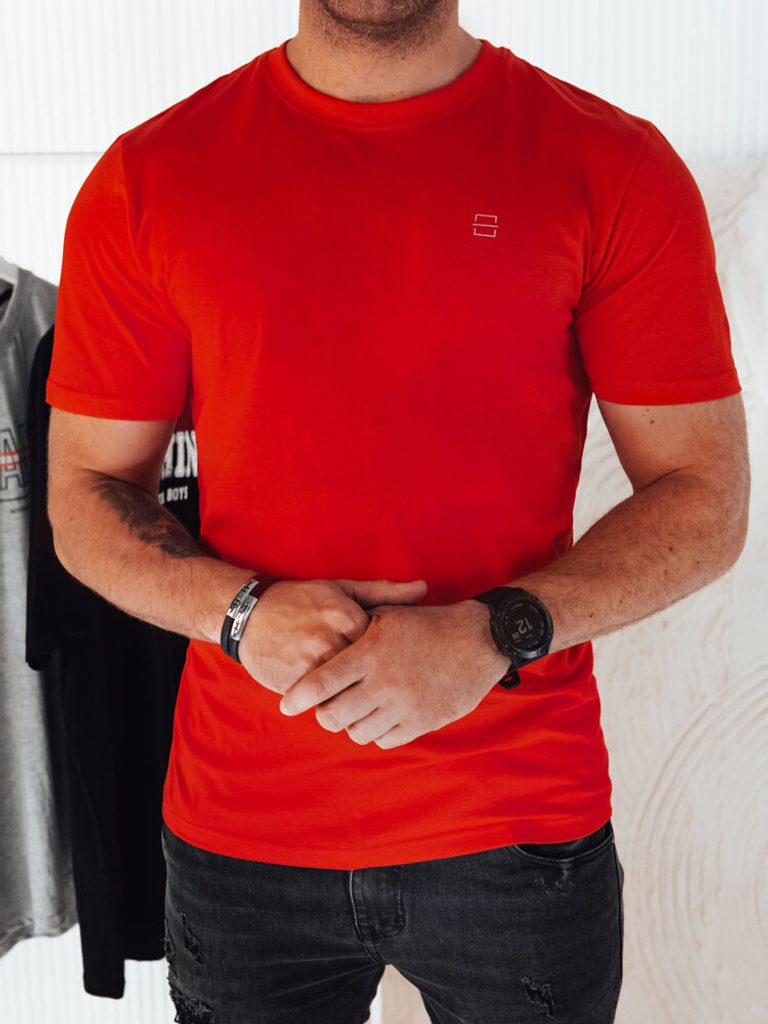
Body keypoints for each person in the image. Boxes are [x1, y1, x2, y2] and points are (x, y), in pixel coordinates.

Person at [46, 1, 749, 1022]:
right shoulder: (151, 177)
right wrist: (240, 612)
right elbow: (83, 495)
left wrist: (495, 632)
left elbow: (705, 495)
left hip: (515, 823)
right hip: (245, 829)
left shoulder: (613, 166)